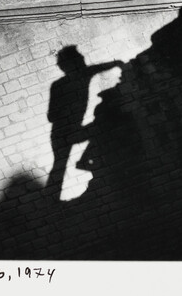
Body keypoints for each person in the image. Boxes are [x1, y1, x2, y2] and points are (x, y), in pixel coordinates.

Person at [45, 46, 123, 200]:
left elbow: (98, 67)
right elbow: (52, 116)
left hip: (65, 131)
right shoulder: (65, 83)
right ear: (72, 63)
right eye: (80, 58)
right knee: (60, 166)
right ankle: (51, 200)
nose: (83, 59)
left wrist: (117, 63)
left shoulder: (80, 76)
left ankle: (51, 200)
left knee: (59, 166)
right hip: (63, 132)